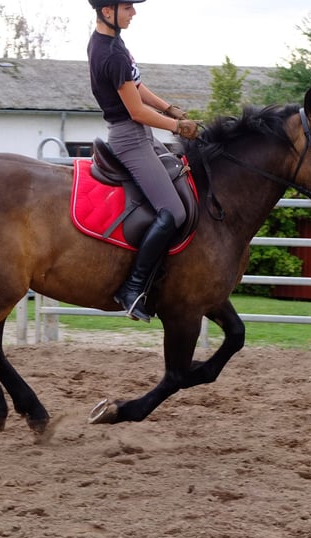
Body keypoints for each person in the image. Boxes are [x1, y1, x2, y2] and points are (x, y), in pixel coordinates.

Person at [87, 0, 201, 322]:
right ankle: (132, 287)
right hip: (130, 139)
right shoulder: (112, 53)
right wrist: (178, 127)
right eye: (127, 7)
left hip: (139, 134)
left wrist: (170, 109)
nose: (133, 13)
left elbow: (135, 86)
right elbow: (136, 111)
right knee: (174, 211)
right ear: (107, 11)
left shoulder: (110, 42)